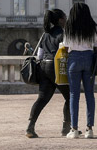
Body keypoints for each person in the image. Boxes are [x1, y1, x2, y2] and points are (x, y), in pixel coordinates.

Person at [26, 9, 71, 139]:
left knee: (42, 98)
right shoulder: (63, 34)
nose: (66, 20)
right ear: (60, 20)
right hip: (56, 67)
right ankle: (66, 128)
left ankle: (30, 126)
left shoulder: (45, 34)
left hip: (43, 67)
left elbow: (39, 54)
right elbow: (66, 52)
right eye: (65, 18)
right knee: (70, 97)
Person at [62, 3, 97, 139]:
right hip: (89, 59)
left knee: (74, 95)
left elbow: (66, 47)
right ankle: (89, 129)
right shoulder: (93, 27)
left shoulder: (69, 27)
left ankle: (74, 128)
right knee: (89, 94)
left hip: (74, 59)